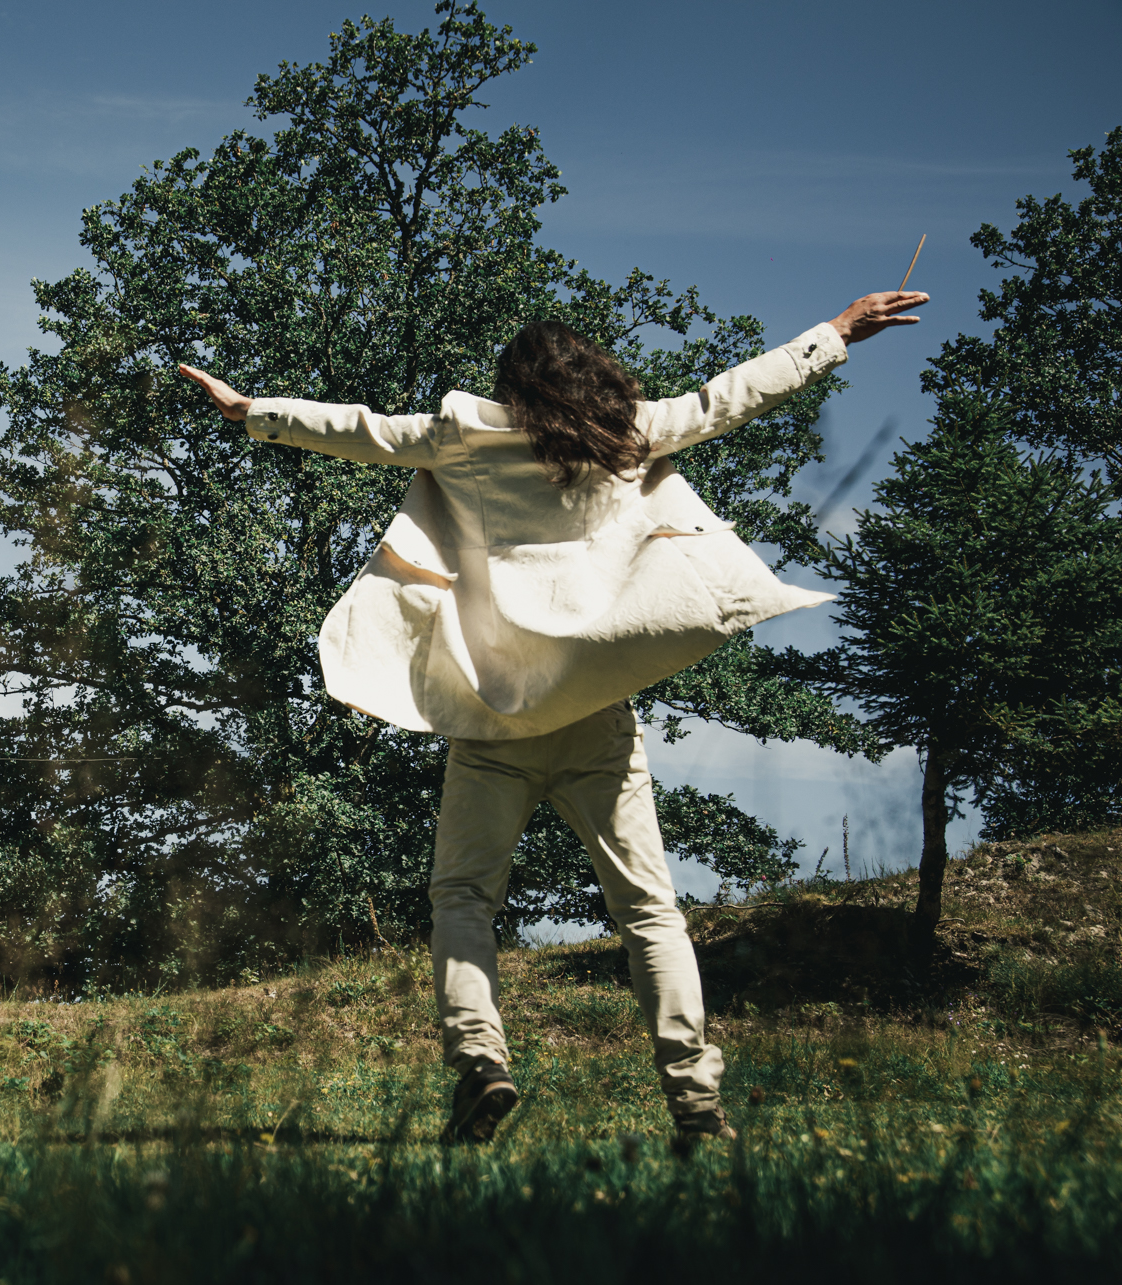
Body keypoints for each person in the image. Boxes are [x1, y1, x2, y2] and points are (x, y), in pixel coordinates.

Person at [181, 290, 929, 1149]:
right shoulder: (627, 438)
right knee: (649, 913)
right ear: (594, 380)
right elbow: (730, 397)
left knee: (464, 896)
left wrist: (252, 411)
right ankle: (696, 1103)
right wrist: (832, 336)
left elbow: (361, 429)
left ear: (513, 387)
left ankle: (481, 1063)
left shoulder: (464, 439)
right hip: (596, 722)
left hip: (494, 720)